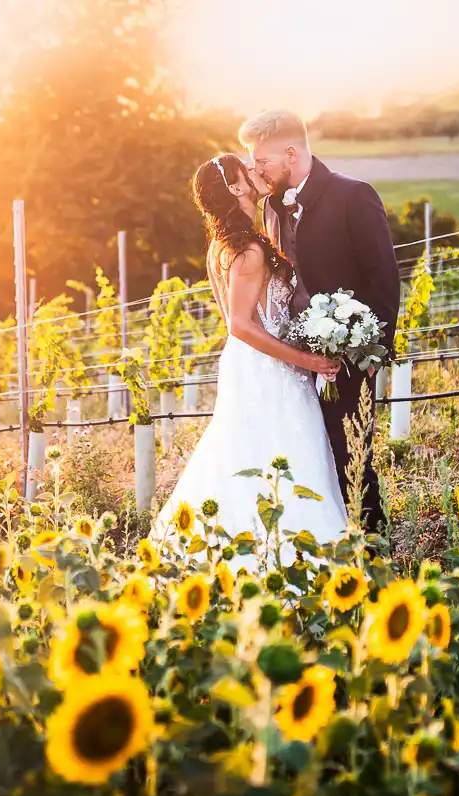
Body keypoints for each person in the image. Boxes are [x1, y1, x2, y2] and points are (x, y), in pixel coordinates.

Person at [151, 153, 347, 569]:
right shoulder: (248, 250)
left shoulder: (226, 244)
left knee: (248, 456)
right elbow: (240, 324)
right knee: (282, 456)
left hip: (253, 362)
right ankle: (288, 562)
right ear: (237, 188)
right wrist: (305, 359)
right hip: (265, 368)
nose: (257, 171)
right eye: (247, 169)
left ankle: (249, 555)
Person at [240, 109, 401, 536]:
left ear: (291, 153)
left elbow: (383, 279)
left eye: (262, 161)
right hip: (295, 357)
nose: (257, 170)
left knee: (352, 456)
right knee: (312, 454)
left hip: (352, 353)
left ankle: (372, 547)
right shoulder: (273, 206)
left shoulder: (354, 195)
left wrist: (372, 352)